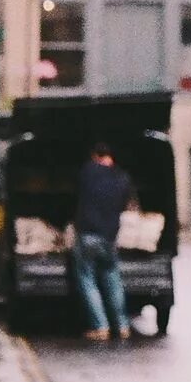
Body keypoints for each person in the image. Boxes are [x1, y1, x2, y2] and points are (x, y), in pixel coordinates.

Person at [71, 140, 136, 341]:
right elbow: (128, 203)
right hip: (109, 237)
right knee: (113, 281)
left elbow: (76, 194)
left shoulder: (88, 171)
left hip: (88, 234)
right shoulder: (122, 177)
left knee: (87, 280)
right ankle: (123, 325)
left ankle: (100, 326)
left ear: (94, 156)